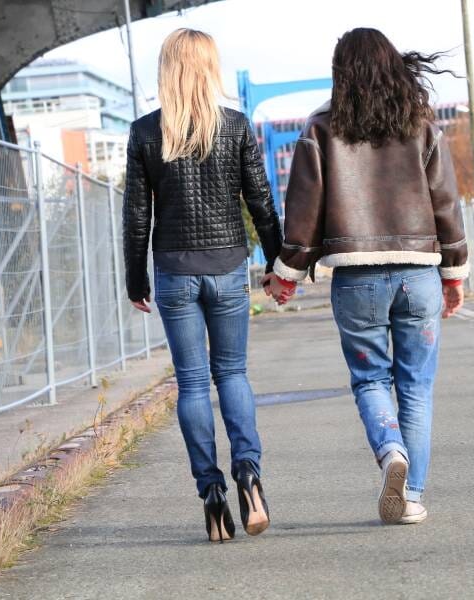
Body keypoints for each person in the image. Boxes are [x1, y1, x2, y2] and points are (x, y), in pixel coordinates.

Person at [264, 28, 468, 525]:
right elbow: (445, 202)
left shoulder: (320, 127)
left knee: (371, 378)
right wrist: (454, 272)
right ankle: (412, 495)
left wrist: (287, 272)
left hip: (356, 280)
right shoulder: (419, 124)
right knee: (416, 387)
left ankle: (389, 450)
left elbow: (304, 209)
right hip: (418, 274)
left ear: (341, 72)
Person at [123, 28, 281, 542]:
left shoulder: (146, 132)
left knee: (192, 384)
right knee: (232, 374)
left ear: (166, 69)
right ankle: (249, 476)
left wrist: (134, 277)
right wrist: (280, 263)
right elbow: (261, 200)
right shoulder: (235, 127)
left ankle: (211, 494)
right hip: (228, 266)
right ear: (210, 68)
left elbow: (136, 217)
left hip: (173, 271)